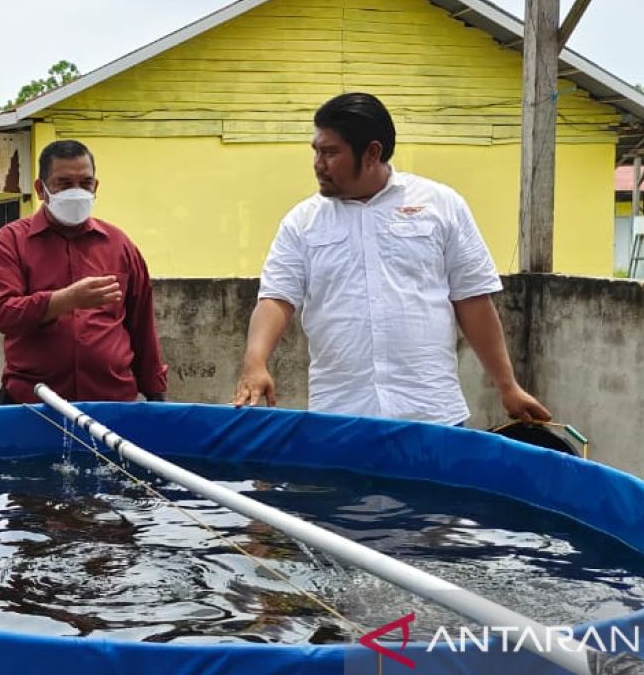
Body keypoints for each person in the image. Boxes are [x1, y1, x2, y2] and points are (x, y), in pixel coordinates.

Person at [232, 92, 550, 426]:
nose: (318, 164)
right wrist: (255, 363)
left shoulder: (441, 206)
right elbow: (276, 298)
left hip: (430, 413)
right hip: (340, 417)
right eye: (316, 151)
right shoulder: (302, 222)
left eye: (330, 152)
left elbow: (472, 300)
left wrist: (508, 386)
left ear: (372, 153)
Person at [0, 139, 168, 404]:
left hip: (111, 402)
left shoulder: (120, 245)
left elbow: (142, 325)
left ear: (96, 187)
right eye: (64, 184)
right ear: (41, 189)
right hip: (34, 403)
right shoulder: (9, 242)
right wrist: (65, 300)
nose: (77, 192)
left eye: (85, 183)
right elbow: (6, 314)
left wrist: (155, 393)